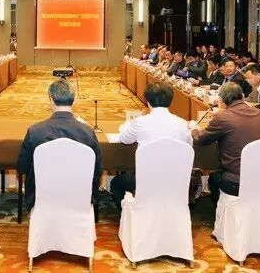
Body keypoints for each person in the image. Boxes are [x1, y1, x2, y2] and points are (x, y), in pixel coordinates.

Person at [17, 79, 102, 209]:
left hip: (41, 199)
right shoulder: (88, 133)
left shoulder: (35, 132)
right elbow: (98, 170)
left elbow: (22, 168)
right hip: (79, 199)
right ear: (74, 100)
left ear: (51, 100)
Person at [110, 82, 193, 207]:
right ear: (170, 101)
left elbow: (125, 138)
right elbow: (189, 146)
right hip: (176, 179)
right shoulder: (182, 124)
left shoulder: (140, 122)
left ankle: (133, 213)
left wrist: (127, 124)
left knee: (117, 183)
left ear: (147, 101)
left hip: (146, 178)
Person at [191, 82, 260, 202]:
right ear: (242, 96)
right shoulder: (259, 114)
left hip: (235, 180)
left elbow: (200, 140)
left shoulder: (223, 117)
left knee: (214, 179)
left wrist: (194, 129)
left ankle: (224, 210)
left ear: (221, 100)